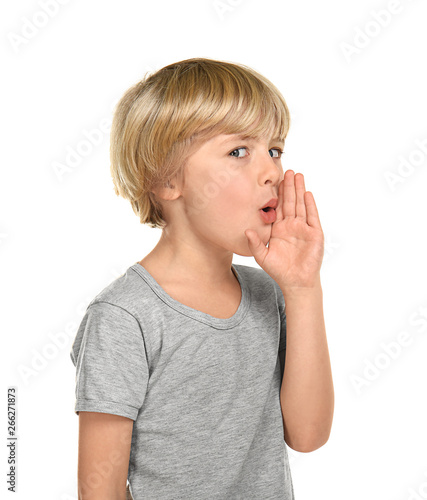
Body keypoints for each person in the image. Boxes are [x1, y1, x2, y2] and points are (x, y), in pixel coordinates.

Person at [70, 57, 334, 500]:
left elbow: (308, 435)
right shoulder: (124, 317)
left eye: (274, 149)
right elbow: (100, 492)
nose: (272, 171)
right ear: (166, 179)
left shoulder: (268, 293)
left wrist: (304, 288)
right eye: (238, 152)